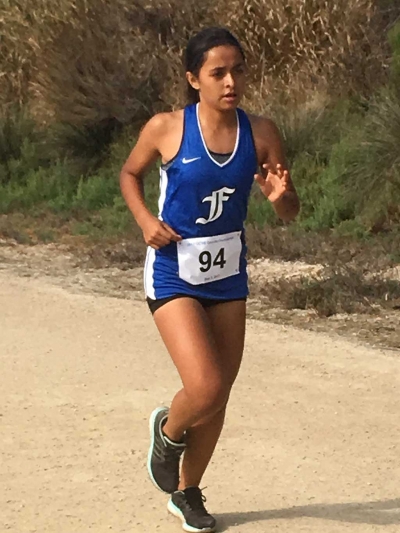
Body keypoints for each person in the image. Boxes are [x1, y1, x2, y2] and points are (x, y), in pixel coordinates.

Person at [120, 26, 300, 533]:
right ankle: (168, 431)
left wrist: (279, 197)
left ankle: (186, 491)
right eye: (217, 72)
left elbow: (289, 210)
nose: (230, 81)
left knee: (220, 394)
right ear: (193, 79)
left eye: (238, 69)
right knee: (206, 384)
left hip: (227, 276)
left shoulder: (261, 132)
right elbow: (129, 174)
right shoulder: (167, 128)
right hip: (174, 272)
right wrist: (145, 222)